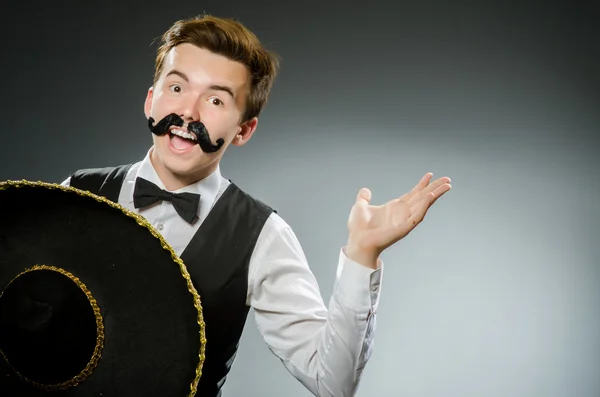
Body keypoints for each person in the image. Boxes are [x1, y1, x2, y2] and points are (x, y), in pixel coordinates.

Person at [61, 14, 451, 397]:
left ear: (244, 129)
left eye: (215, 99)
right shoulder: (75, 193)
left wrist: (363, 252)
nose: (188, 113)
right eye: (177, 89)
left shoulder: (263, 237)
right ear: (151, 100)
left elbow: (332, 384)